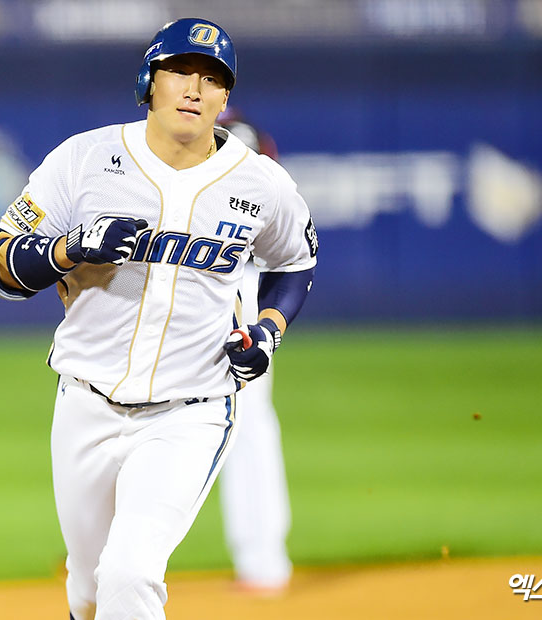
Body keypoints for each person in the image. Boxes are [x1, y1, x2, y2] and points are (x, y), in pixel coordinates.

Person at [0, 18, 317, 620]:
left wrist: (268, 330)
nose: (194, 88)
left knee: (130, 573)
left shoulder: (262, 182)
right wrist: (67, 250)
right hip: (85, 401)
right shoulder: (84, 159)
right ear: (149, 80)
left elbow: (295, 262)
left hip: (190, 411)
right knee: (88, 592)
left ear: (225, 96)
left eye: (211, 78)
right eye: (180, 71)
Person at [215, 109, 293, 594]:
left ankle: (264, 557)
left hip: (236, 283)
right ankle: (260, 557)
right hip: (230, 279)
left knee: (246, 422)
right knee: (243, 424)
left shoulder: (223, 137)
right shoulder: (250, 136)